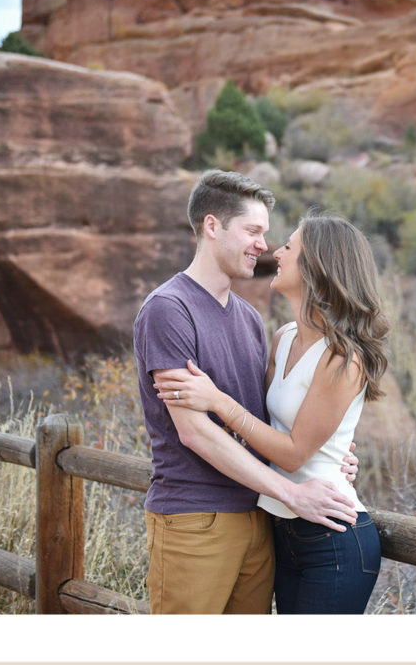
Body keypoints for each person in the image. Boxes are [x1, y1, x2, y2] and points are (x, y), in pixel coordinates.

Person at [133, 170, 359, 615]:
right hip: (195, 518)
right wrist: (291, 493)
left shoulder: (250, 319)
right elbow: (195, 432)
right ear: (212, 226)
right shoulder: (168, 309)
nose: (264, 245)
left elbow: (263, 419)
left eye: (267, 234)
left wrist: (329, 451)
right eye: (253, 231)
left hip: (260, 518)